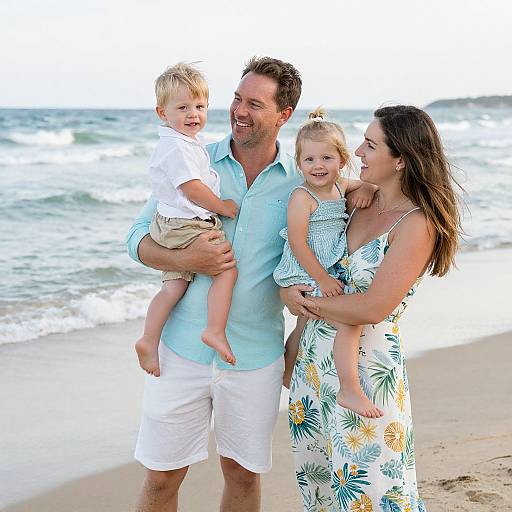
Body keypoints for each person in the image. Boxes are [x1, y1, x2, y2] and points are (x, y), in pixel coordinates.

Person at [127, 56, 303, 512]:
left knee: (242, 476)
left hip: (254, 355)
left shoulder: (302, 183)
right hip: (179, 352)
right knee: (162, 478)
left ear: (283, 115)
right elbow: (136, 240)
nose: (239, 111)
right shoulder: (192, 159)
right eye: (237, 99)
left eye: (255, 104)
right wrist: (188, 259)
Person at [280, 105, 462, 511]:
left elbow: (374, 306)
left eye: (370, 144)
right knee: (323, 493)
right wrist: (290, 298)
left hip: (366, 374)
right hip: (314, 366)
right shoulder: (353, 201)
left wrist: (308, 302)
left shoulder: (417, 224)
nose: (357, 151)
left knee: (374, 494)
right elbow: (306, 266)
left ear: (400, 159)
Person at [274, 108, 383, 419]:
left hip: (325, 266)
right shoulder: (302, 197)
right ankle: (350, 388)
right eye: (309, 160)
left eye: (326, 159)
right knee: (348, 323)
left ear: (341, 160)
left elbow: (366, 185)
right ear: (299, 163)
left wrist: (367, 187)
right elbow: (296, 242)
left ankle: (287, 368)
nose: (318, 166)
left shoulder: (339, 186)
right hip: (306, 269)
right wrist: (321, 278)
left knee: (304, 322)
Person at [135, 63, 239, 377]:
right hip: (186, 225)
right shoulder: (177, 147)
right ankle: (215, 330)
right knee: (226, 271)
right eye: (182, 107)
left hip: (170, 224)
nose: (193, 114)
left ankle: (149, 338)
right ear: (161, 113)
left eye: (200, 106)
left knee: (173, 288)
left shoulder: (182, 142)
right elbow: (192, 189)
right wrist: (222, 206)